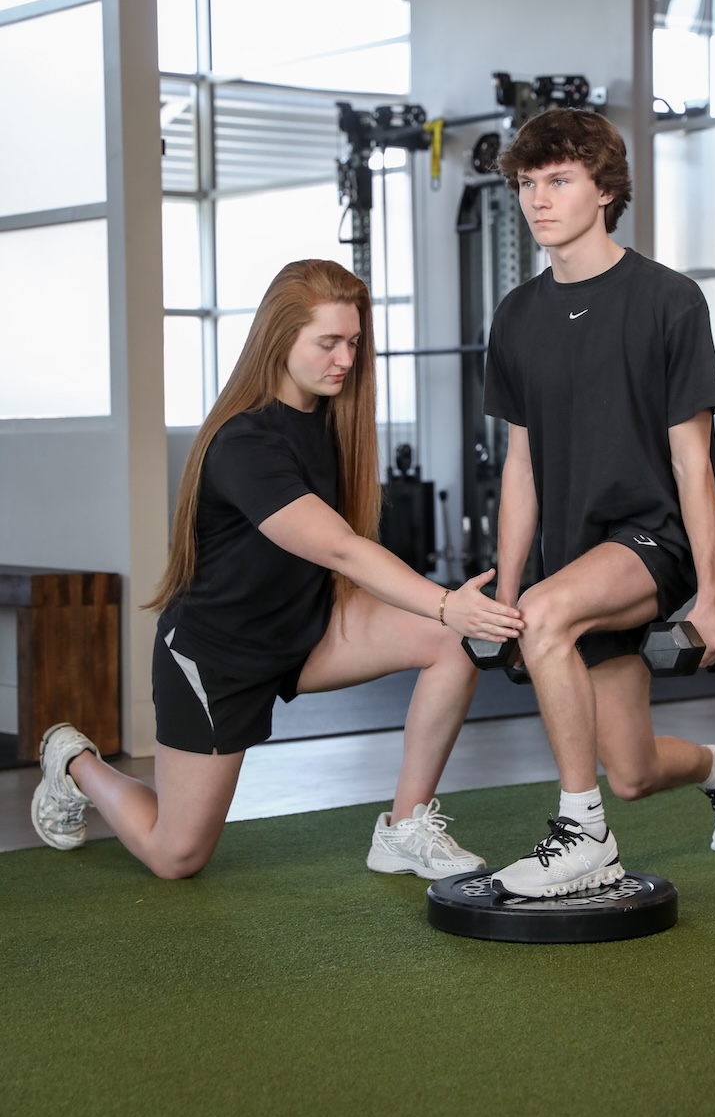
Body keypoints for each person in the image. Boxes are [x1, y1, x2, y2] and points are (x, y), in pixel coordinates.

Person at [31, 259, 523, 881]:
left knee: (451, 642)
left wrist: (452, 618)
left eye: (353, 343)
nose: (345, 359)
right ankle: (74, 763)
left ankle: (404, 828)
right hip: (219, 654)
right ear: (280, 338)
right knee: (176, 856)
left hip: (308, 630)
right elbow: (341, 549)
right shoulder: (245, 442)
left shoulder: (332, 420)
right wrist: (448, 601)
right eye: (328, 343)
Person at [482, 108, 715, 899]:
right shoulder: (516, 316)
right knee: (632, 770)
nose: (537, 200)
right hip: (575, 556)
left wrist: (711, 595)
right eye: (526, 183)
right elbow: (520, 465)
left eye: (558, 180)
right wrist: (506, 589)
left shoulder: (668, 300)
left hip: (653, 539)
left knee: (547, 615)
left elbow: (691, 461)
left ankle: (583, 836)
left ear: (604, 189)